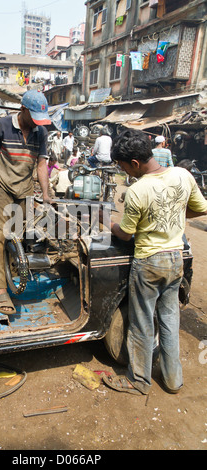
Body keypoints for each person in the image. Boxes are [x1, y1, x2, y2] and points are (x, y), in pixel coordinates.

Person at [103, 129, 207, 396]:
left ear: (135, 163)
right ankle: (173, 380)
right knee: (170, 320)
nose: (125, 171)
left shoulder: (138, 190)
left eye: (124, 166)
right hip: (175, 259)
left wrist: (111, 224)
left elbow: (126, 233)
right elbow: (200, 208)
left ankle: (139, 381)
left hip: (148, 262)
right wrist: (174, 213)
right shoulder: (183, 175)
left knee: (142, 323)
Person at [0, 89, 52, 315]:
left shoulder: (40, 133)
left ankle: (13, 274)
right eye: (34, 117)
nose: (37, 123)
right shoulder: (2, 125)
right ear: (22, 110)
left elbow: (41, 166)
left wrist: (47, 194)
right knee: (0, 236)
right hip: (1, 186)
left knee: (18, 238)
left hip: (24, 190)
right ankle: (1, 289)